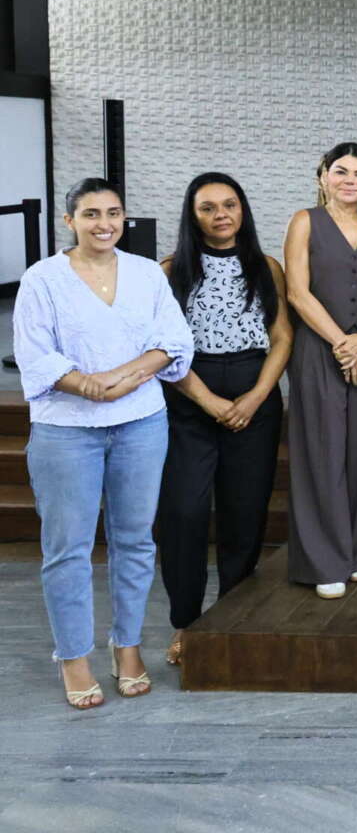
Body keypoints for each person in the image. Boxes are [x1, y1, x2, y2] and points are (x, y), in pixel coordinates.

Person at [13, 178, 193, 709]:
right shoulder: (42, 278)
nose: (104, 224)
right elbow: (35, 353)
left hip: (141, 421)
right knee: (67, 548)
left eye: (113, 213)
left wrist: (126, 374)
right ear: (70, 221)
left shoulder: (144, 272)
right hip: (65, 429)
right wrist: (87, 384)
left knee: (135, 540)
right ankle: (73, 657)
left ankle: (129, 647)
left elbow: (174, 338)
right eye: (91, 214)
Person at [159, 173, 292, 666]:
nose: (221, 215)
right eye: (208, 207)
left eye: (230, 205)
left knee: (244, 515)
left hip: (254, 395)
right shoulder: (170, 270)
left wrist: (258, 395)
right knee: (185, 514)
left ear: (243, 210)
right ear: (192, 216)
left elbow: (281, 337)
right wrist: (208, 401)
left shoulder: (267, 267)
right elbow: (165, 348)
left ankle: (230, 620)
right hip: (190, 395)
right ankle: (186, 625)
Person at [283, 142, 357, 598]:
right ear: (323, 175)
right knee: (322, 451)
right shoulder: (304, 222)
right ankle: (324, 559)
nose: (350, 181)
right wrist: (342, 345)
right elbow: (297, 292)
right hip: (319, 351)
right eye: (341, 171)